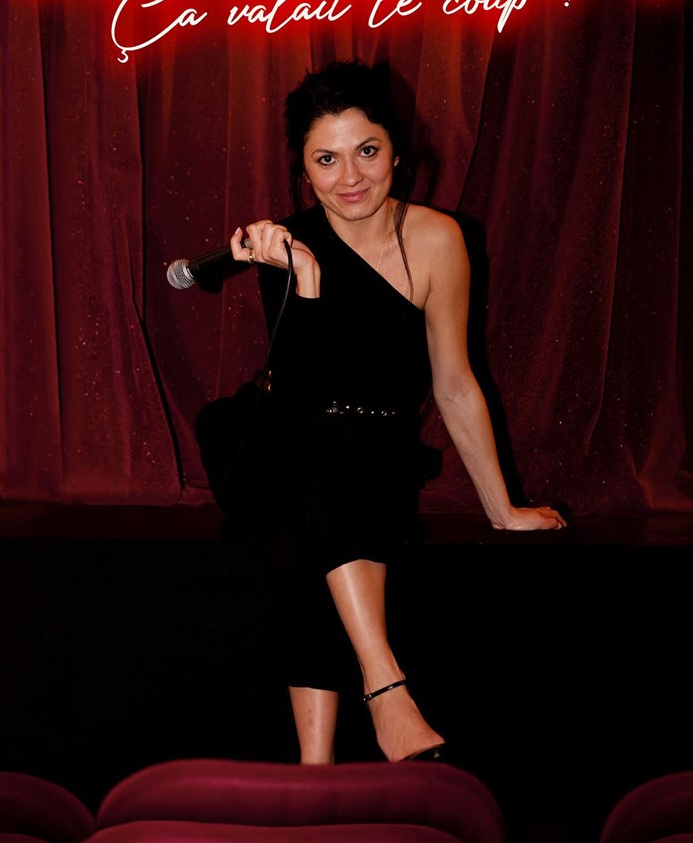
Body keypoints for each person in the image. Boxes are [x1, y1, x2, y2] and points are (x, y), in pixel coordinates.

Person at [221, 59, 565, 766]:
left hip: (372, 457)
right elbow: (302, 392)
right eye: (326, 159)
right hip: (276, 440)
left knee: (294, 534)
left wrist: (502, 510)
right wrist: (304, 275)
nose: (350, 176)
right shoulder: (287, 244)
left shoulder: (440, 239)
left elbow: (455, 382)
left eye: (367, 151)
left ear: (397, 152)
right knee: (314, 451)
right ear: (304, 171)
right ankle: (387, 690)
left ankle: (314, 770)